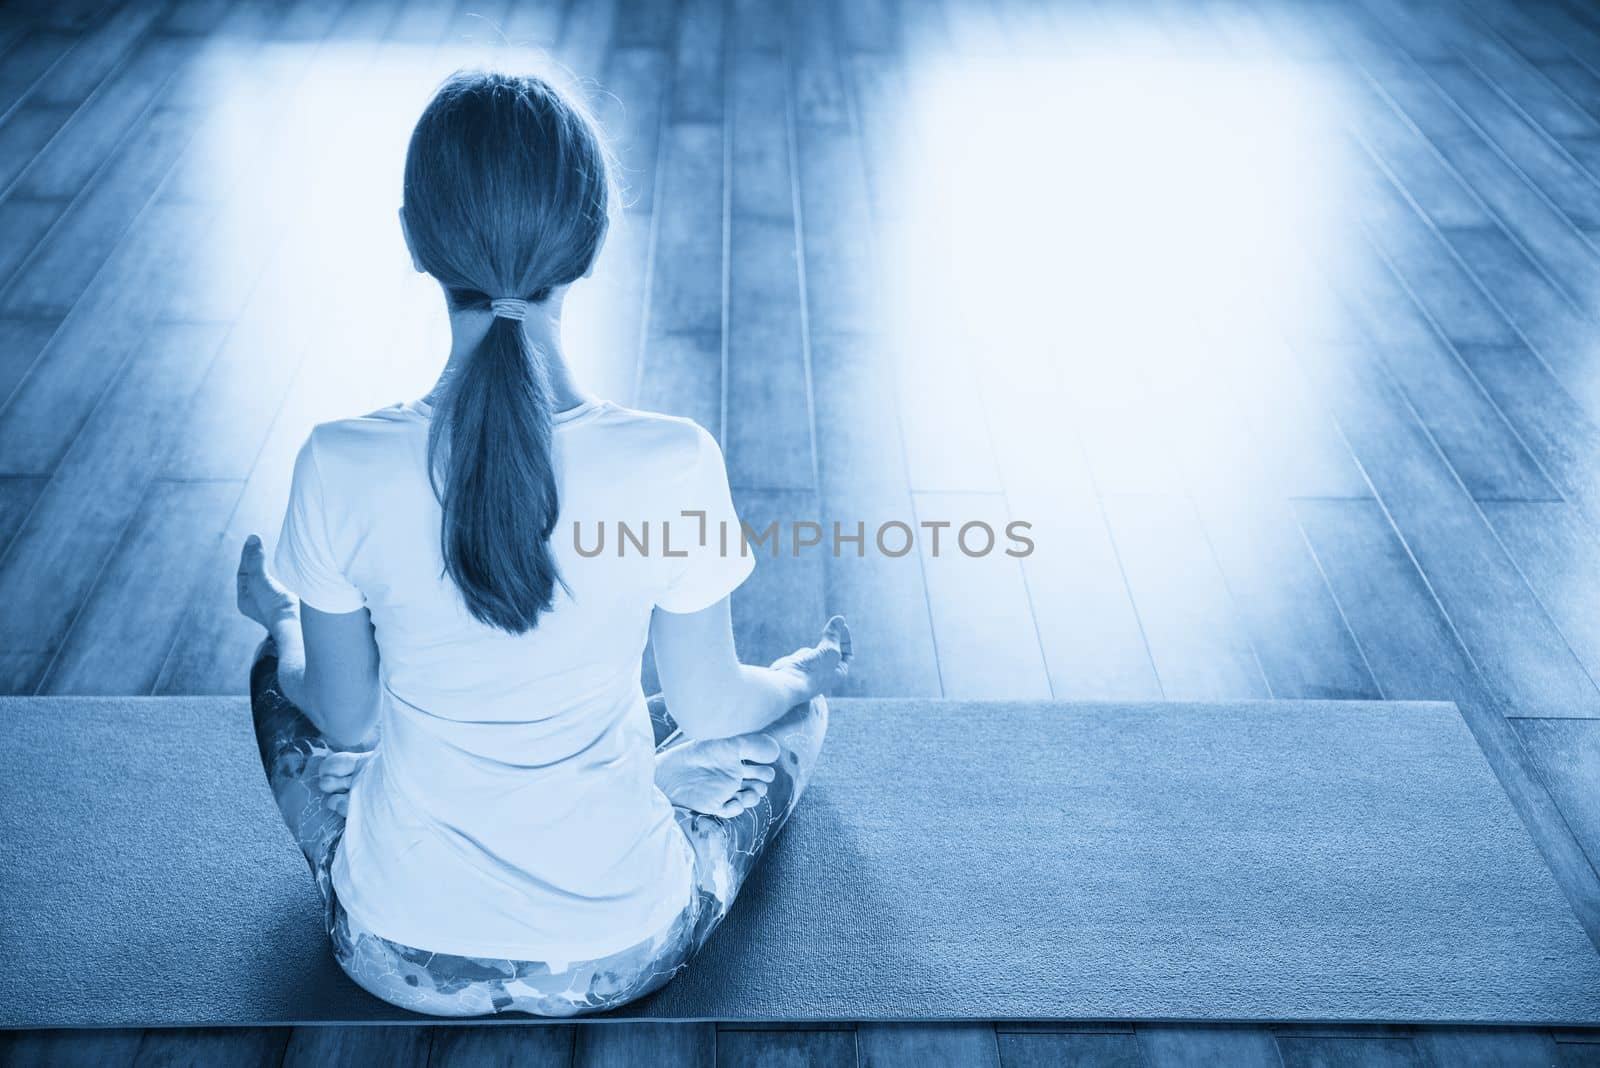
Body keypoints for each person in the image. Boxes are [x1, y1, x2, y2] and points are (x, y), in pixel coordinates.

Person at [233, 69, 851, 1018]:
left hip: (394, 952)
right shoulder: (672, 460)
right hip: (617, 949)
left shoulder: (338, 462)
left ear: (413, 238)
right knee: (789, 720)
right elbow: (713, 701)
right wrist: (800, 679)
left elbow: (345, 720)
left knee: (279, 674)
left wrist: (282, 622)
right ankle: (658, 782)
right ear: (592, 242)